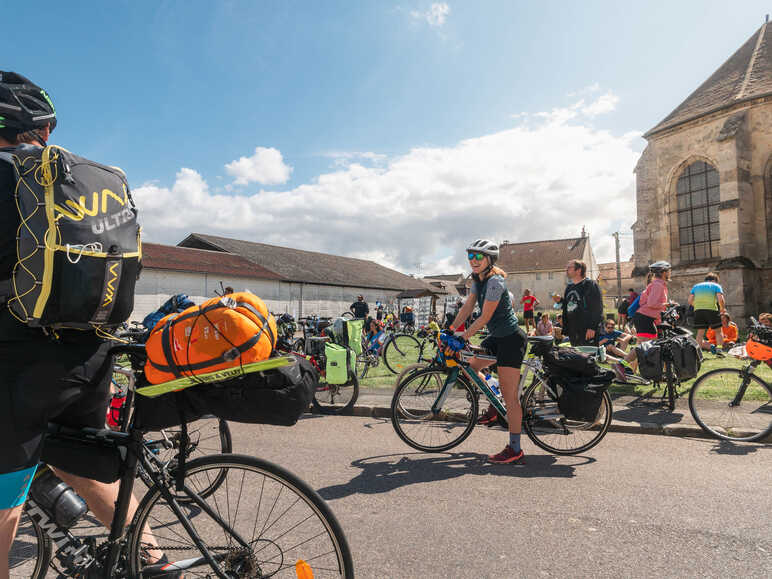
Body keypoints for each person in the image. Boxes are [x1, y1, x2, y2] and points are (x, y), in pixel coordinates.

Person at [0, 72, 173, 576]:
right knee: (79, 462)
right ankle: (154, 561)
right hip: (92, 349)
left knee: (3, 492)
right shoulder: (78, 179)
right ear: (43, 131)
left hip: (21, 358)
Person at [450, 240, 527, 465]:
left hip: (511, 341)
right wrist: (450, 329)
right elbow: (467, 307)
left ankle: (515, 449)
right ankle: (495, 403)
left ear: (489, 260)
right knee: (470, 367)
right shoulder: (478, 279)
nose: (473, 261)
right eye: (470, 257)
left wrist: (462, 337)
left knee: (511, 398)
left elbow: (484, 317)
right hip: (496, 338)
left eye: (478, 257)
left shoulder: (494, 281)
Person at [562, 259, 603, 346]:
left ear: (578, 270)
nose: (566, 269)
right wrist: (566, 328)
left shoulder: (590, 285)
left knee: (588, 357)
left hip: (587, 330)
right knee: (576, 356)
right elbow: (566, 307)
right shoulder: (569, 287)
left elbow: (597, 308)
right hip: (573, 330)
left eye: (569, 267)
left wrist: (592, 327)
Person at [689, 273, 726, 352]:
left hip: (698, 310)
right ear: (714, 280)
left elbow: (690, 301)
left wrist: (697, 306)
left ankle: (698, 352)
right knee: (718, 331)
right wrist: (722, 309)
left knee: (700, 333)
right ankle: (719, 349)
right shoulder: (716, 286)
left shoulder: (696, 286)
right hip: (712, 310)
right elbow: (721, 299)